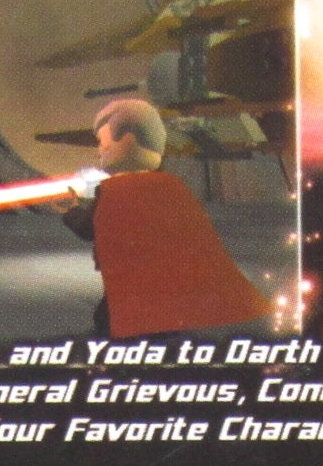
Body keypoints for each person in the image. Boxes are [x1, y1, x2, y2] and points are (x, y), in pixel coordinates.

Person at [57, 98, 269, 339]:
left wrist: (71, 210)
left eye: (104, 144)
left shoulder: (115, 191)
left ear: (127, 142)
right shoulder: (171, 185)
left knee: (112, 317)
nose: (100, 151)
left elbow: (89, 227)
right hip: (167, 287)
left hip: (130, 281)